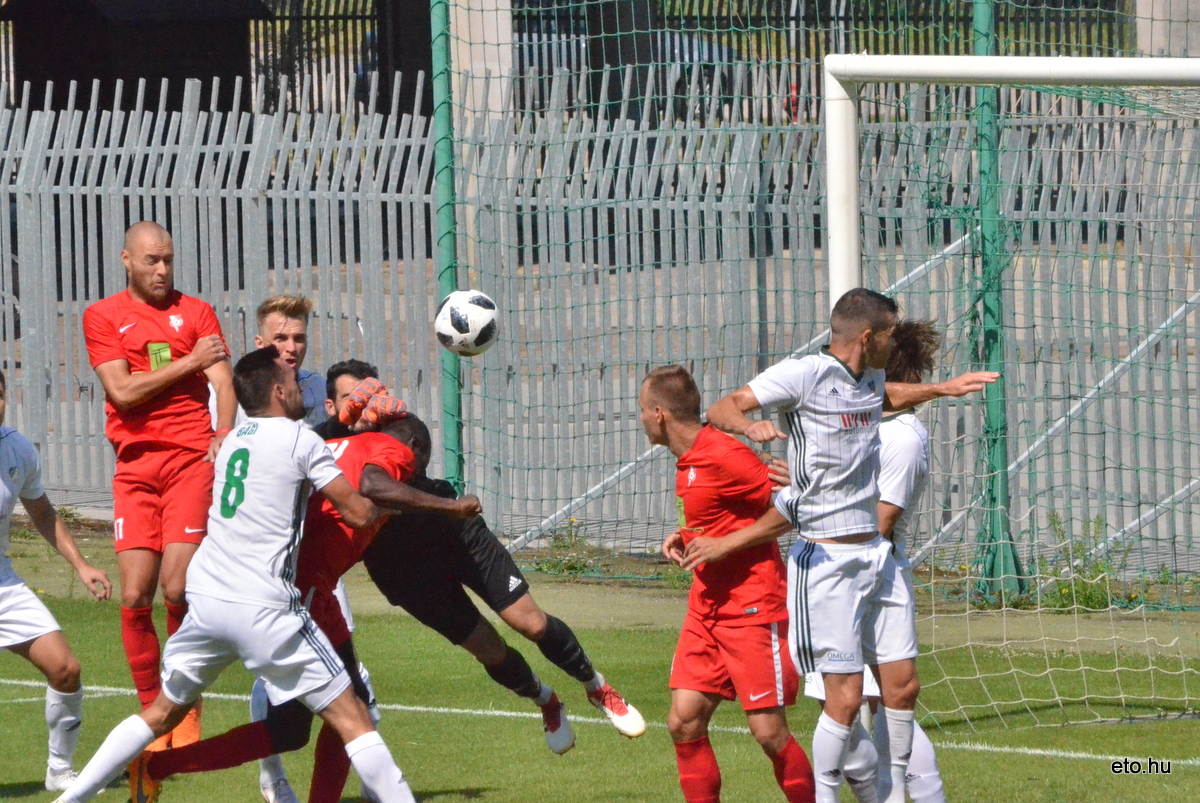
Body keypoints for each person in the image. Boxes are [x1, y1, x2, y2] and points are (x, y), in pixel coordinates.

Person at [54, 346, 417, 803]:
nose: (300, 382)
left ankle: (70, 799)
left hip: (206, 598)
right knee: (354, 717)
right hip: (264, 605)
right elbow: (360, 513)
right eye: (292, 376)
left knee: (162, 712)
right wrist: (406, 502)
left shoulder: (229, 441)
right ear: (279, 390)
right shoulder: (300, 439)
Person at [702, 289, 997, 803]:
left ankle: (897, 791)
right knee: (844, 699)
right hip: (826, 562)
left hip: (877, 559)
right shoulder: (804, 374)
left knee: (903, 688)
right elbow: (722, 406)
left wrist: (945, 390)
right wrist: (750, 425)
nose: (894, 340)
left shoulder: (870, 378)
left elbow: (884, 399)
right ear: (868, 336)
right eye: (889, 332)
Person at [134, 414, 481, 803]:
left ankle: (155, 767)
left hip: (276, 582)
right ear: (414, 445)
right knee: (351, 710)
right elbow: (373, 485)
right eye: (417, 466)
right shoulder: (394, 449)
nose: (411, 475)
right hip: (300, 590)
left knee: (291, 730)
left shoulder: (339, 447)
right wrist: (449, 506)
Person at [362, 412, 646, 754]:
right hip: (403, 571)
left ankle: (597, 687)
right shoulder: (353, 463)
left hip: (457, 536)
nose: (420, 464)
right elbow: (372, 488)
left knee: (532, 623)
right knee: (489, 650)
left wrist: (450, 508)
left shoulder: (411, 478)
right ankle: (547, 702)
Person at [82, 221, 236, 748]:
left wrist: (223, 432)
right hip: (135, 467)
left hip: (191, 461)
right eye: (152, 261)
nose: (163, 270)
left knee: (176, 587)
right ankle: (152, 718)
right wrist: (190, 361)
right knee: (133, 594)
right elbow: (122, 392)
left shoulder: (196, 312)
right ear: (127, 259)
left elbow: (223, 382)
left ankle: (183, 709)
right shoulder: (102, 316)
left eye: (168, 259)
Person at [639, 365, 814, 803]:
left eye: (641, 410)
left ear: (659, 414)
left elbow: (791, 507)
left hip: (753, 608)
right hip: (706, 610)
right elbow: (717, 516)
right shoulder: (688, 460)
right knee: (684, 721)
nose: (639, 418)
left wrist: (723, 546)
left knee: (769, 733)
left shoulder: (725, 455)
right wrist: (687, 537)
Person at [800, 320, 948, 803]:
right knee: (843, 707)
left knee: (885, 703)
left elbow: (879, 522)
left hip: (869, 582)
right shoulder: (859, 422)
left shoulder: (903, 436)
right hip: (836, 577)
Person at [0, 370, 113, 791]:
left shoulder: (17, 449)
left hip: (2, 582)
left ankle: (60, 771)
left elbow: (43, 513)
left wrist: (81, 566)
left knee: (65, 668)